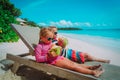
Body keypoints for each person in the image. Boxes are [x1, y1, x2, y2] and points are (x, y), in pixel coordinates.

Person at [34, 27, 104, 77]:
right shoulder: (39, 46)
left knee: (74, 63)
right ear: (41, 37)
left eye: (52, 38)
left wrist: (59, 49)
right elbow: (38, 59)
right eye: (49, 38)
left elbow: (55, 48)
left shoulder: (50, 43)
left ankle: (89, 67)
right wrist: (47, 57)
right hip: (53, 61)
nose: (51, 40)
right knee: (73, 67)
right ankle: (93, 72)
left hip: (59, 57)